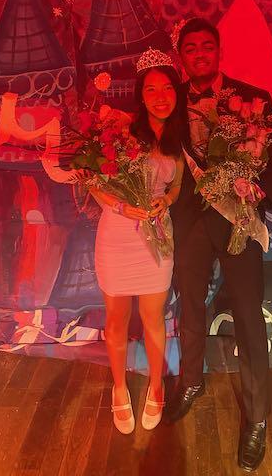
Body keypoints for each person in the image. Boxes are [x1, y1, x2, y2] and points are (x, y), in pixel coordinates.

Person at [167, 18, 272, 472]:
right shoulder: (171, 102)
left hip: (238, 219)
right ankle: (191, 380)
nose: (199, 53)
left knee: (247, 315)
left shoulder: (252, 99)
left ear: (219, 50)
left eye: (207, 46)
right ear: (182, 55)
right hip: (191, 222)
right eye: (190, 48)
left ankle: (256, 416)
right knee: (190, 305)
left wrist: (260, 192)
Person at [87, 48, 185, 434]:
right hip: (117, 235)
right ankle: (119, 387)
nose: (160, 96)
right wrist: (121, 207)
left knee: (152, 317)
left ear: (176, 92)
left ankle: (156, 386)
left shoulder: (179, 138)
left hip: (157, 237)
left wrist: (167, 201)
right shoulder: (122, 131)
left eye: (167, 88)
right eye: (151, 89)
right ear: (141, 96)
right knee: (116, 318)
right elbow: (93, 181)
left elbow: (176, 186)